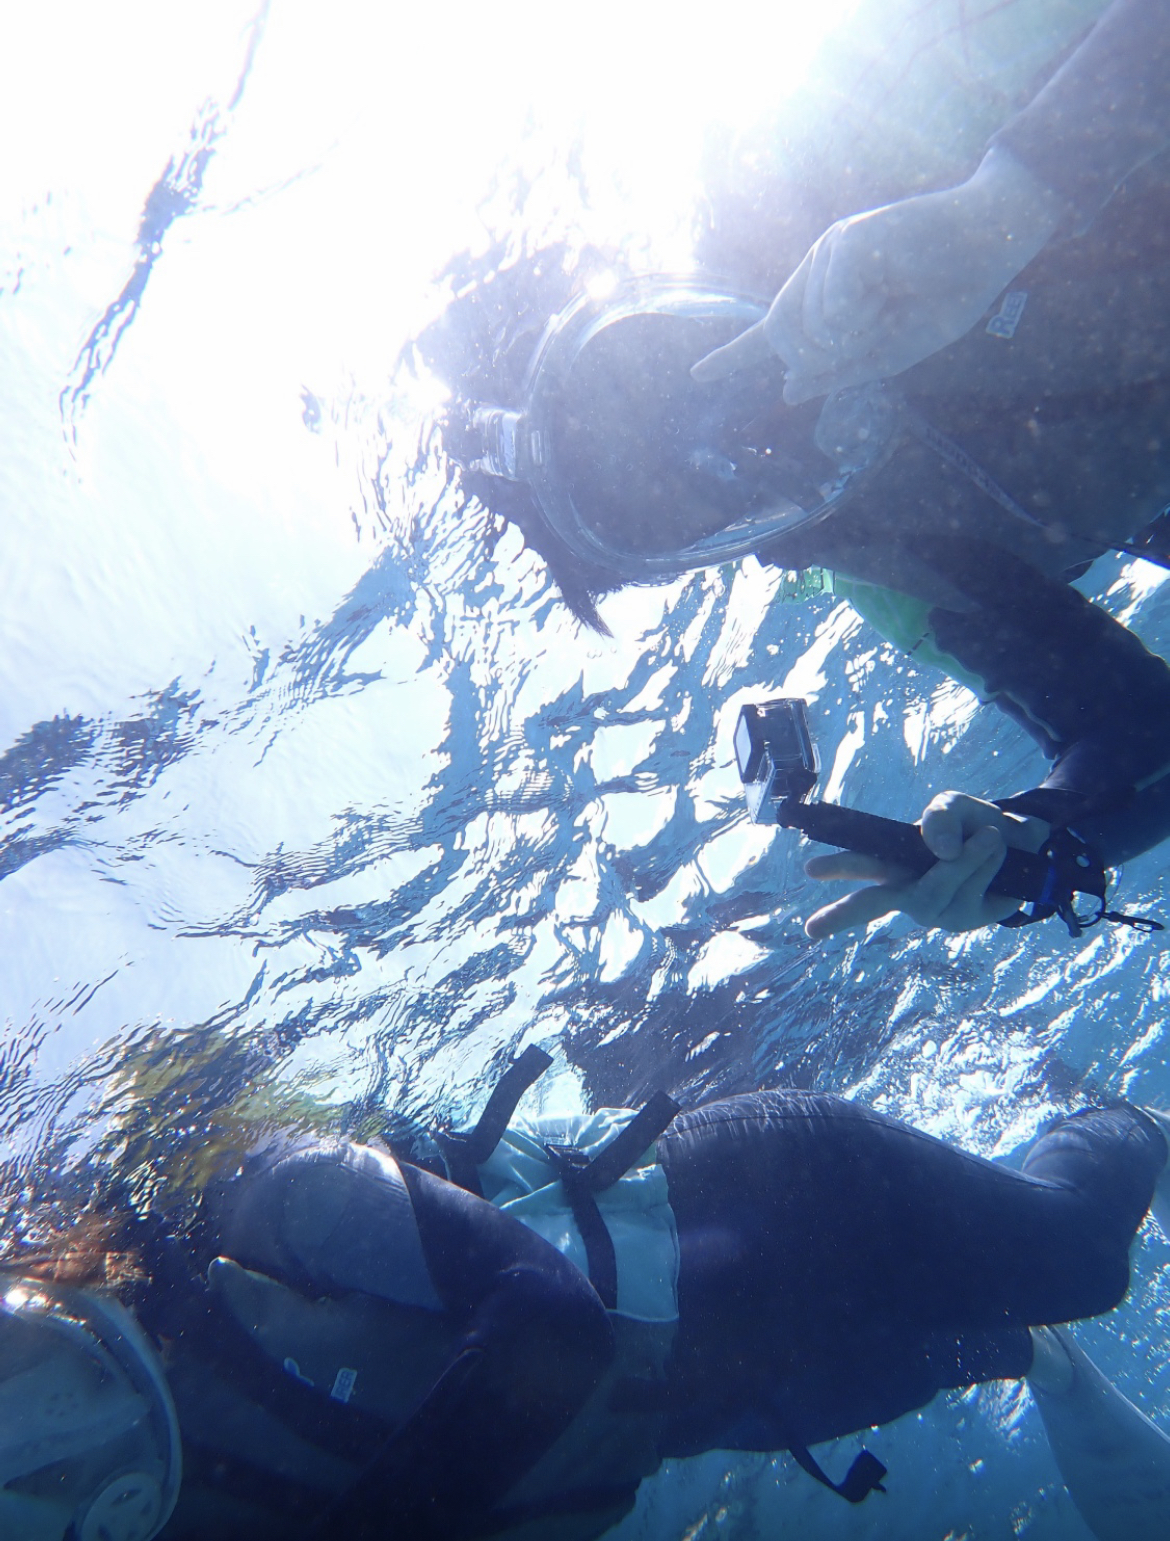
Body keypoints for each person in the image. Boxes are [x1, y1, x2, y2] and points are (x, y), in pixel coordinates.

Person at [428, 0, 1170, 943]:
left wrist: (1011, 197)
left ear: (662, 287)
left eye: (668, 378)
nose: (762, 433)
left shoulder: (865, 111)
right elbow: (1144, 739)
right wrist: (1046, 837)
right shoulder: (906, 574)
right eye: (712, 496)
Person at [6, 1051, 1170, 1541]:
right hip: (708, 1398)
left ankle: (1129, 1120)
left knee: (1078, 1258)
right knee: (965, 1350)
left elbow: (548, 1320)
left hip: (768, 1201)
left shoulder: (255, 1200)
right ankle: (1035, 1353)